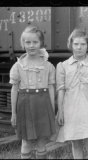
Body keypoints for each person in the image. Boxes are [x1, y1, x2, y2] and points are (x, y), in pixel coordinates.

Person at [52, 28, 88, 159]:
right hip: (71, 110)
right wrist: (60, 111)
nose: (79, 47)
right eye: (76, 44)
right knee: (76, 143)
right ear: (71, 45)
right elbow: (61, 90)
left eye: (83, 44)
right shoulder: (63, 66)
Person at [10, 26, 56, 159]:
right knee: (26, 141)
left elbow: (51, 88)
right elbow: (14, 89)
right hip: (24, 105)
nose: (31, 45)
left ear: (41, 43)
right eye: (28, 42)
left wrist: (52, 110)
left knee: (42, 141)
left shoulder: (48, 66)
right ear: (23, 44)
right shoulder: (18, 66)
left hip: (42, 105)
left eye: (35, 42)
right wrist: (14, 113)